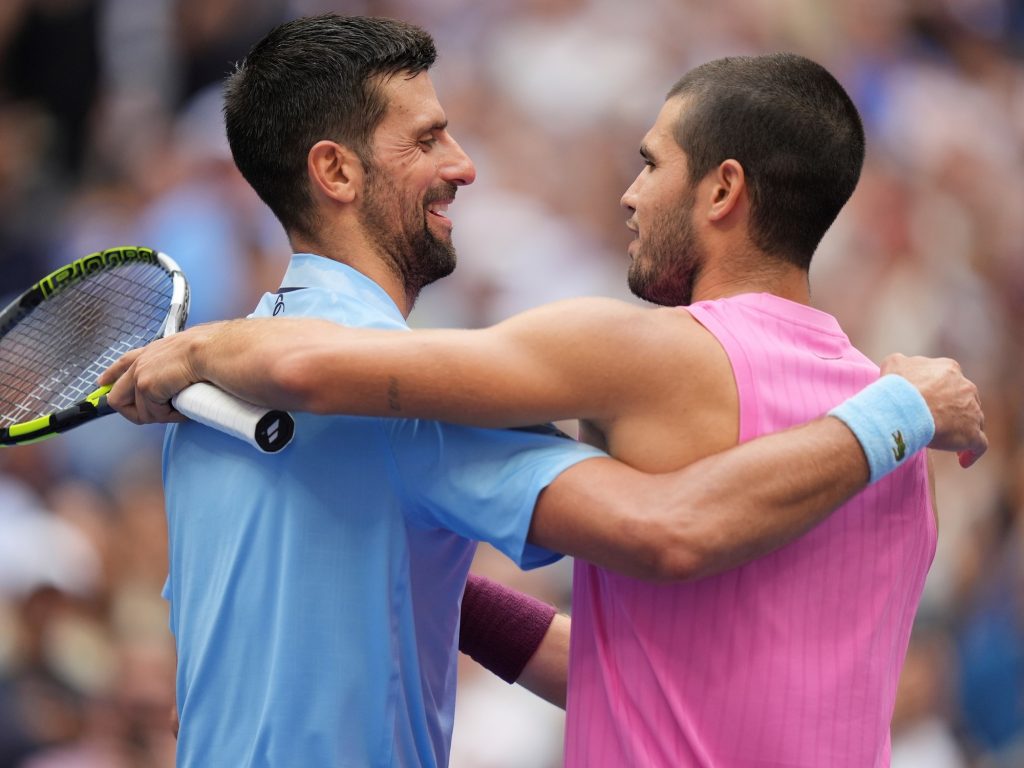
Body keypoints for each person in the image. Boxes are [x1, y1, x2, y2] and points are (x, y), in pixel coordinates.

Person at [101, 20, 987, 768]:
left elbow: (657, 594)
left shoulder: (205, 404)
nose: (464, 165)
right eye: (426, 139)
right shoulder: (896, 452)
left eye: (650, 163)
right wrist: (898, 408)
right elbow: (667, 555)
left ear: (723, 190)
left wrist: (210, 344)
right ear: (334, 171)